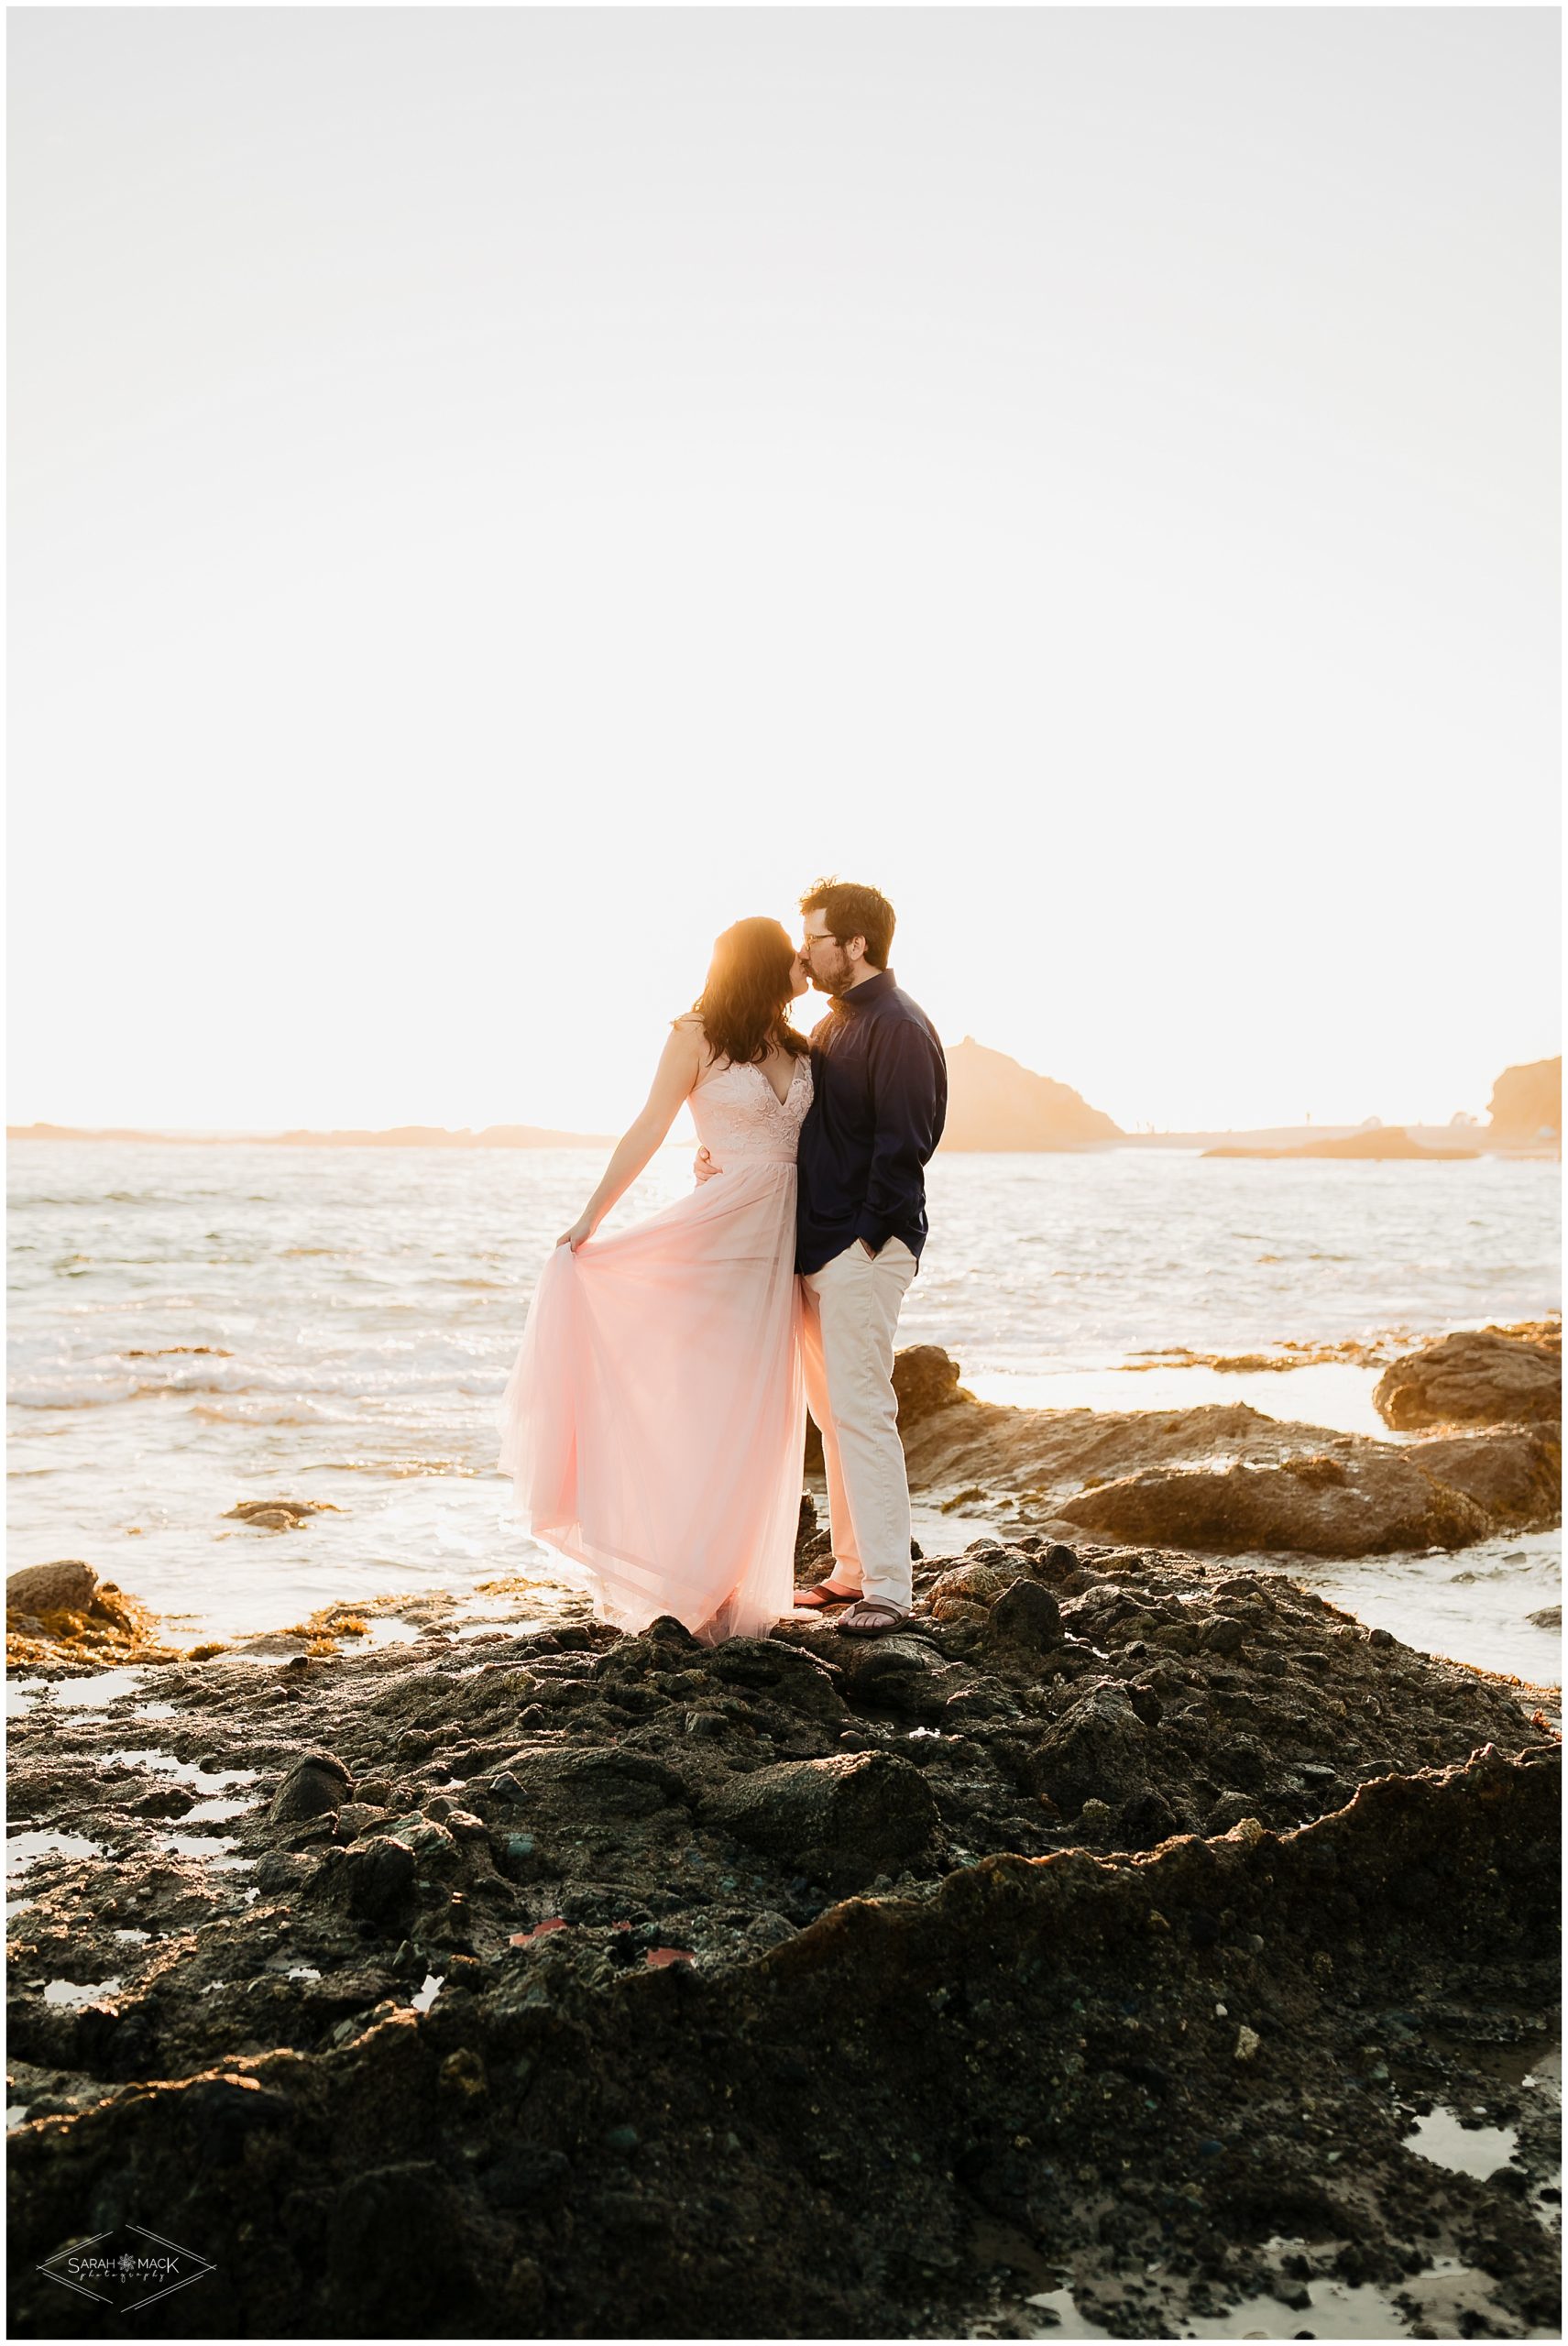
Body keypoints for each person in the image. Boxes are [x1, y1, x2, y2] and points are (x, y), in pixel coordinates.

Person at [495, 917, 812, 1643]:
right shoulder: (694, 1035)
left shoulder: (798, 1044)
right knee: (706, 1406)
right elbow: (647, 1127)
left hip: (784, 1241)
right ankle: (688, 1575)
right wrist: (590, 1219)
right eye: (791, 955)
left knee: (759, 1411)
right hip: (720, 1238)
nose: (803, 962)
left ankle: (729, 1579)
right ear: (761, 963)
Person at [698, 878, 947, 1637]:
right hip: (817, 1249)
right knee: (831, 1417)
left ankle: (892, 1590)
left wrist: (864, 1239)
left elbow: (905, 1146)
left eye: (816, 938)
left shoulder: (899, 1027)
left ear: (856, 945)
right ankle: (849, 1571)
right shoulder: (834, 1025)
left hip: (862, 1250)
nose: (803, 951)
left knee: (863, 1412)